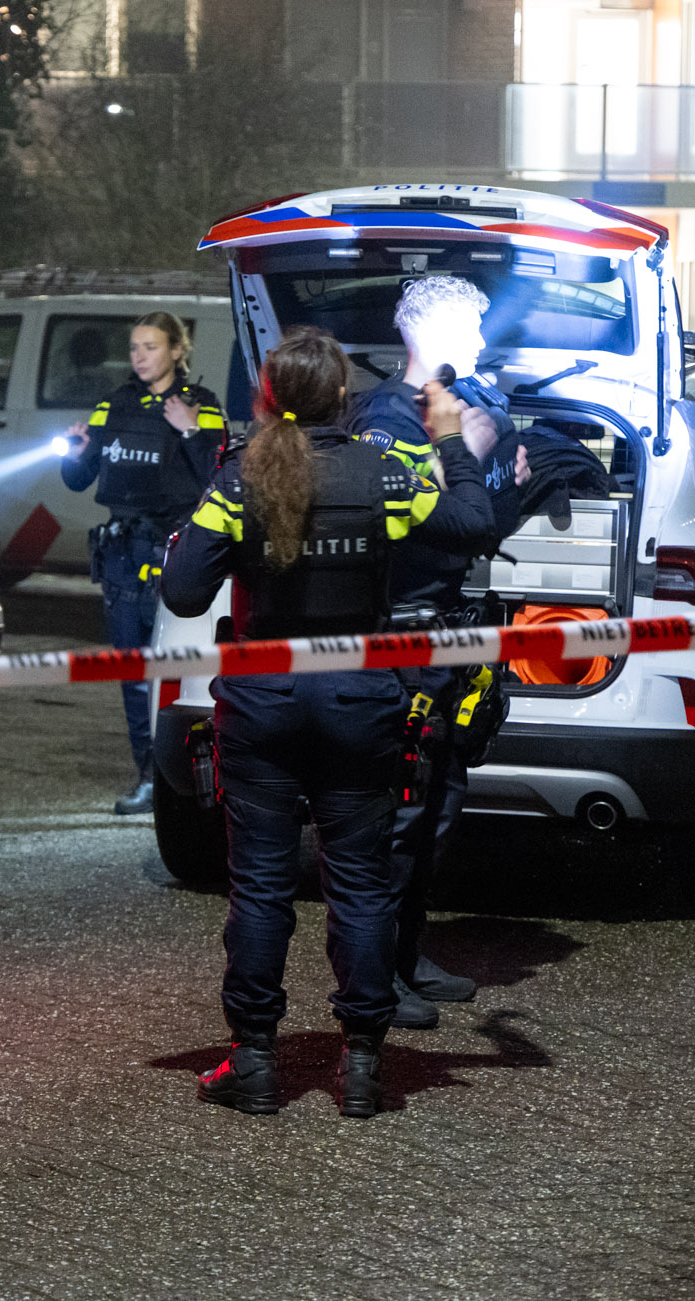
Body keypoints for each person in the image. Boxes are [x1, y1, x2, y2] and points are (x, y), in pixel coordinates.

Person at [160, 325, 518, 1119]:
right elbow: (473, 523)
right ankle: (361, 1065)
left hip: (262, 704)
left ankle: (255, 1060)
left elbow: (182, 591)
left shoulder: (239, 478)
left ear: (267, 397)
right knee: (359, 883)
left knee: (260, 887)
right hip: (361, 702)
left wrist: (212, 511)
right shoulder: (384, 474)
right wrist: (450, 440)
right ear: (345, 400)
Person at [345, 275, 523, 1031]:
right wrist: (467, 458)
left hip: (447, 635)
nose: (482, 342)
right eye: (472, 328)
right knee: (401, 811)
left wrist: (494, 476)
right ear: (436, 333)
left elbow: (479, 521)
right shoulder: (386, 416)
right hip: (400, 638)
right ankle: (376, 975)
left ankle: (407, 952)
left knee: (439, 805)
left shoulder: (452, 411)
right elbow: (402, 522)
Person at [61, 312, 226, 815]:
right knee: (132, 672)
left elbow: (219, 474)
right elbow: (77, 478)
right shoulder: (113, 404)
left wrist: (191, 431)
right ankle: (149, 778)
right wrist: (75, 453)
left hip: (171, 552)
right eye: (134, 347)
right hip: (122, 554)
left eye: (151, 347)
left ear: (177, 350)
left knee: (176, 674)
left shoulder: (202, 405)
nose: (139, 356)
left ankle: (189, 778)